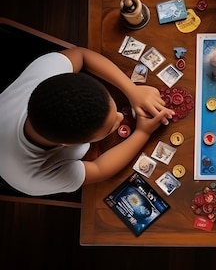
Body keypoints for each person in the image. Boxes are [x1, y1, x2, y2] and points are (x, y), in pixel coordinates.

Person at [0, 47, 175, 196]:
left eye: (114, 111)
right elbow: (99, 169)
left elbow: (81, 55)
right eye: (109, 128)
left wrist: (132, 90)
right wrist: (142, 133)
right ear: (68, 144)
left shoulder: (45, 74)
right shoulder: (34, 178)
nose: (121, 117)